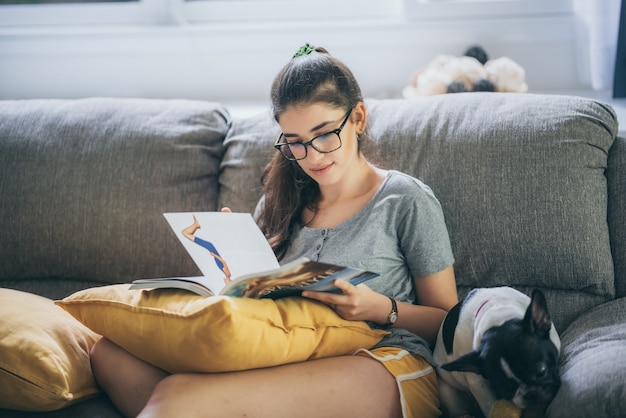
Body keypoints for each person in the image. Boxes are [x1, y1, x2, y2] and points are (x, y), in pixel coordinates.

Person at [90, 44, 458, 418]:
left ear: (358, 118)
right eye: (295, 143)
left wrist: (379, 307)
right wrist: (231, 260)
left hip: (383, 357)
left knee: (179, 397)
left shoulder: (404, 199)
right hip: (288, 353)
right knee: (108, 353)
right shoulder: (279, 204)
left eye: (325, 134)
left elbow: (450, 320)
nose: (312, 157)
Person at [181, 214, 232, 284]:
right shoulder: (228, 274)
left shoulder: (224, 273)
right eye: (226, 283)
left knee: (186, 234)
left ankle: (196, 225)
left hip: (211, 249)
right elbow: (224, 261)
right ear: (229, 282)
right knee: (184, 233)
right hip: (211, 248)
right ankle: (196, 225)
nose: (225, 282)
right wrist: (214, 255)